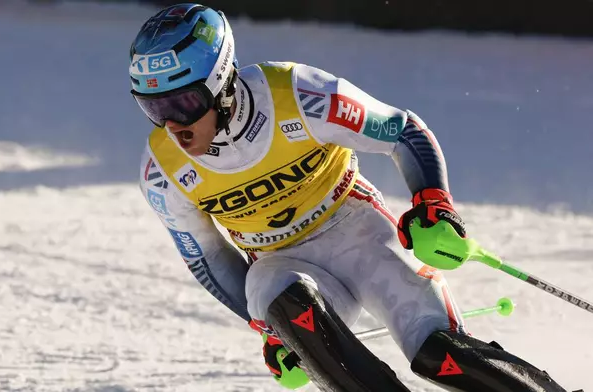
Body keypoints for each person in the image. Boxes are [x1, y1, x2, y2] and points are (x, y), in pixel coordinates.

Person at [129, 4, 568, 391]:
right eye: (153, 108)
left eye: (183, 104)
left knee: (442, 356)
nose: (172, 125)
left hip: (360, 236)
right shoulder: (164, 172)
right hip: (279, 264)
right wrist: (268, 329)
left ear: (221, 81)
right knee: (282, 300)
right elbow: (206, 257)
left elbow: (402, 131)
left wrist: (434, 205)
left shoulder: (295, 95)